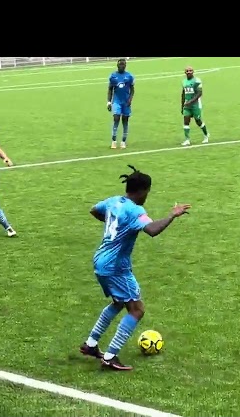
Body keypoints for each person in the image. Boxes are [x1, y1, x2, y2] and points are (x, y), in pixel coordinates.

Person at [80, 164, 191, 371]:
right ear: (141, 191)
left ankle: (91, 344)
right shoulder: (135, 210)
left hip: (101, 260)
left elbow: (94, 210)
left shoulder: (114, 201)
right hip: (116, 266)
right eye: (147, 192)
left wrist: (114, 224)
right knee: (137, 309)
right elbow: (152, 230)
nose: (147, 196)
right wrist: (172, 215)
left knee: (119, 302)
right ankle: (111, 356)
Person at [107, 58, 135, 149]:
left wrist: (130, 99)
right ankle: (114, 140)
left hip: (126, 102)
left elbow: (132, 90)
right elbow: (110, 89)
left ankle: (123, 141)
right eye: (120, 65)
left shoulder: (129, 76)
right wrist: (108, 102)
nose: (122, 66)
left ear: (125, 66)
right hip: (116, 101)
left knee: (125, 120)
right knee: (116, 118)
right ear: (117, 66)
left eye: (123, 64)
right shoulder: (113, 76)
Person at [181, 66, 210, 146]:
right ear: (185, 72)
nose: (189, 72)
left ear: (193, 72)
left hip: (195, 105)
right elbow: (183, 94)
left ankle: (206, 135)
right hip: (187, 105)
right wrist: (182, 105)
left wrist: (190, 102)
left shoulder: (197, 81)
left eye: (190, 71)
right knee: (186, 121)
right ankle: (187, 139)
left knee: (198, 121)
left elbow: (199, 93)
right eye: (187, 71)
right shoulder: (184, 82)